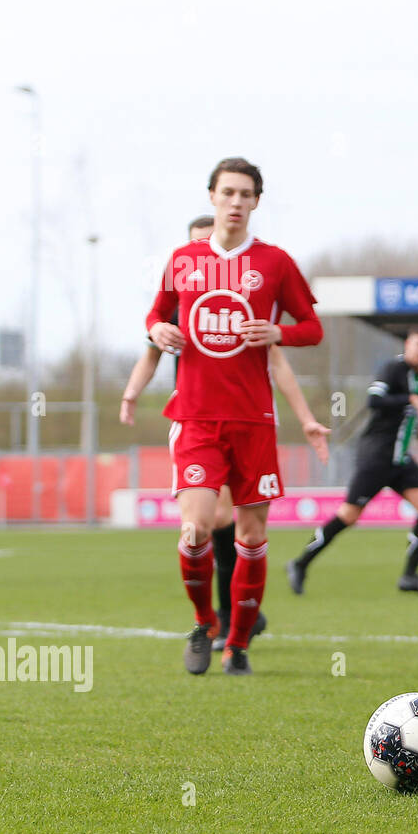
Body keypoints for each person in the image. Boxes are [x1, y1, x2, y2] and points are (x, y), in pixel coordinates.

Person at [146, 157, 326, 676]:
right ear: (212, 196)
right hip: (197, 419)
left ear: (256, 202)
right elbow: (155, 316)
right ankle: (205, 623)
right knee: (196, 532)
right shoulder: (181, 260)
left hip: (253, 421)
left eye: (246, 194)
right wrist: (159, 331)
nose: (236, 202)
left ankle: (239, 645)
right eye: (228, 192)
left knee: (250, 537)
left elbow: (311, 326)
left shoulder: (274, 263)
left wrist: (279, 333)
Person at [287, 328, 418, 595]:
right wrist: (410, 399)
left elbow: (403, 414)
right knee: (349, 515)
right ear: (408, 344)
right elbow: (375, 401)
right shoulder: (394, 368)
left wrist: (417, 429)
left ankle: (409, 576)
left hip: (401, 459)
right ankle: (300, 563)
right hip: (377, 457)